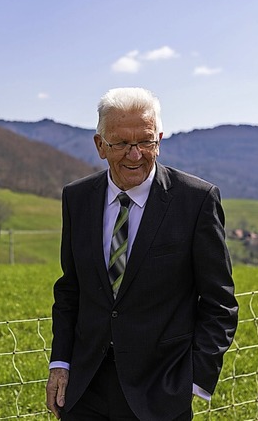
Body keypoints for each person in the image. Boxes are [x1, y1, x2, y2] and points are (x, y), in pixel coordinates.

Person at [46, 88, 238, 420]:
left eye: (146, 142)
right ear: (100, 146)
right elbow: (70, 289)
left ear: (159, 140)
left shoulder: (196, 200)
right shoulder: (76, 198)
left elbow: (220, 303)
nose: (135, 155)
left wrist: (193, 381)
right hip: (84, 388)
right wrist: (61, 362)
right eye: (121, 143)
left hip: (160, 392)